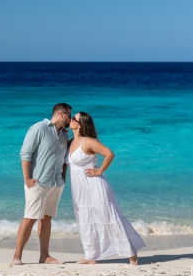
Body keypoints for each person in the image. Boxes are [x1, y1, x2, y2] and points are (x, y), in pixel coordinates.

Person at [67, 112, 145, 265]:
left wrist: (99, 171)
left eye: (74, 118)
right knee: (85, 218)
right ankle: (90, 256)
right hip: (79, 188)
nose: (70, 120)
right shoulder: (70, 142)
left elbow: (109, 154)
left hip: (94, 185)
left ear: (81, 124)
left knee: (107, 216)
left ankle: (131, 253)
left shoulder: (89, 142)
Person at [12, 103, 72, 265]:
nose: (70, 119)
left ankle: (44, 256)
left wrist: (63, 175)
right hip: (38, 182)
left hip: (56, 183)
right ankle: (17, 256)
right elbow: (25, 153)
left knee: (47, 219)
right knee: (30, 218)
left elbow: (64, 157)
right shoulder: (39, 128)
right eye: (69, 115)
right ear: (61, 114)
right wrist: (27, 178)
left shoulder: (64, 134)